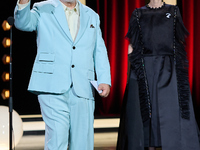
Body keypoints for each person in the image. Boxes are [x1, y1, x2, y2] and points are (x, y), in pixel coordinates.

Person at [14, 0, 111, 149]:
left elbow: (99, 50)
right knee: (57, 139)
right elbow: (23, 23)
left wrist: (104, 79)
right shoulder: (43, 8)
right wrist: (23, 2)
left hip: (83, 86)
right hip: (52, 85)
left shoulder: (91, 15)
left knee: (82, 143)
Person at [117, 0, 200, 150]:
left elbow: (179, 42)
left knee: (170, 110)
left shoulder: (173, 11)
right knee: (146, 112)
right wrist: (131, 73)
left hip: (168, 68)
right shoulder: (138, 13)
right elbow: (133, 45)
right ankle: (148, 144)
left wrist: (179, 73)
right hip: (144, 68)